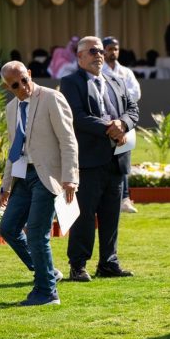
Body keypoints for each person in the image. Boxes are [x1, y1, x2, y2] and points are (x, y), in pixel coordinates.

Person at [0, 61, 79, 306]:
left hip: (47, 176)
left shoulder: (52, 98)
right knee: (8, 229)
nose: (23, 87)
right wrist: (6, 185)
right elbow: (14, 149)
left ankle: (47, 292)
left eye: (24, 79)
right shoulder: (11, 108)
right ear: (8, 87)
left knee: (36, 232)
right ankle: (47, 271)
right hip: (22, 177)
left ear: (29, 74)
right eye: (15, 85)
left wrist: (70, 178)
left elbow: (68, 140)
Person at [60, 36, 139, 282]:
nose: (99, 55)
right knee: (84, 216)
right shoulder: (70, 82)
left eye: (101, 51)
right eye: (93, 51)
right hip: (89, 160)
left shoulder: (117, 80)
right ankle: (78, 265)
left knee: (111, 215)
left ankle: (108, 262)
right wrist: (110, 127)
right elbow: (76, 116)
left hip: (116, 159)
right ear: (80, 56)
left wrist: (122, 124)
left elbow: (133, 110)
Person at [102, 36, 142, 214]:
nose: (113, 52)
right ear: (103, 50)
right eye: (110, 48)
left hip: (124, 120)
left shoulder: (125, 72)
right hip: (106, 122)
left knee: (124, 159)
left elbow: (136, 93)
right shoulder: (99, 71)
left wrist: (120, 102)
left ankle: (125, 198)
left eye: (116, 49)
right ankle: (108, 197)